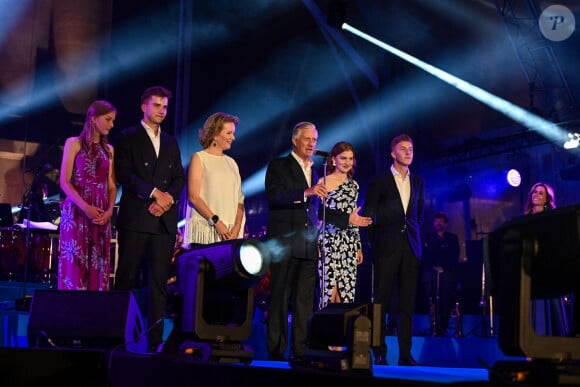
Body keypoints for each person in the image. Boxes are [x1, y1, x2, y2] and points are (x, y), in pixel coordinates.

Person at [114, 86, 185, 352]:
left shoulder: (170, 140)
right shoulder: (128, 136)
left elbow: (179, 176)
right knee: (127, 279)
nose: (161, 111)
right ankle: (118, 336)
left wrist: (167, 201)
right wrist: (155, 194)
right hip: (136, 218)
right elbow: (125, 174)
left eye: (165, 106)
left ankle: (156, 341)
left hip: (163, 221)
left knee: (159, 283)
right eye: (156, 105)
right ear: (143, 106)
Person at [264, 121, 327, 364]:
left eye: (314, 140)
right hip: (284, 241)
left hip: (308, 244)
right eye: (307, 139)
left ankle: (300, 351)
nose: (312, 144)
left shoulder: (316, 169)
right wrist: (306, 193)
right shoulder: (279, 165)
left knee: (304, 301)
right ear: (295, 140)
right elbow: (274, 196)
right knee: (279, 296)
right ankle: (276, 351)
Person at [362, 134, 424, 366]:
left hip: (410, 247)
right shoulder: (379, 182)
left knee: (407, 303)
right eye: (403, 148)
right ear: (393, 153)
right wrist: (374, 244)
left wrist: (417, 241)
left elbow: (418, 215)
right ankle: (379, 351)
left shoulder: (418, 181)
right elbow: (367, 217)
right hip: (385, 248)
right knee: (381, 302)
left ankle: (406, 354)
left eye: (411, 148)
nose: (408, 152)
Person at [58, 100, 117, 291]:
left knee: (97, 267)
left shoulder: (109, 150)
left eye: (113, 120)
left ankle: (93, 316)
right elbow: (64, 181)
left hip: (100, 214)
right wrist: (86, 208)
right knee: (75, 266)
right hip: (77, 211)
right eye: (108, 119)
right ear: (93, 119)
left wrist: (109, 211)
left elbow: (112, 186)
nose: (111, 124)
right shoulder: (73, 143)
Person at [317, 141, 371, 308]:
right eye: (343, 158)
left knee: (345, 296)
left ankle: (339, 334)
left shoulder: (354, 186)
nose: (347, 162)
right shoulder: (323, 182)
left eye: (350, 158)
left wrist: (358, 246)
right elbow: (318, 216)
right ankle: (323, 333)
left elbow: (353, 218)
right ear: (333, 160)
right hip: (328, 242)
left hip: (348, 244)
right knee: (328, 293)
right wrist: (317, 244)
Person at [183, 112, 245, 246]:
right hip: (207, 231)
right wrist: (216, 222)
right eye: (229, 133)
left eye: (233, 133)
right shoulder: (199, 158)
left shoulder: (232, 163)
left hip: (231, 234)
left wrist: (237, 227)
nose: (233, 137)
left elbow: (240, 200)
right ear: (215, 134)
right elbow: (194, 197)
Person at [523, 182, 569, 337]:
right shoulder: (525, 219)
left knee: (550, 307)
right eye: (534, 192)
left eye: (541, 193)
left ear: (547, 199)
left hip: (547, 270)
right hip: (529, 270)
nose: (536, 194)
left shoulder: (552, 219)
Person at [421, 212, 460, 336]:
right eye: (436, 221)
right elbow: (425, 255)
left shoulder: (452, 238)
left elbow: (454, 255)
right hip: (431, 273)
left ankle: (443, 326)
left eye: (441, 221)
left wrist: (444, 267)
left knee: (446, 300)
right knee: (431, 299)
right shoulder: (428, 238)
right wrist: (434, 266)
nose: (438, 223)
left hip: (447, 273)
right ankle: (433, 326)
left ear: (445, 223)